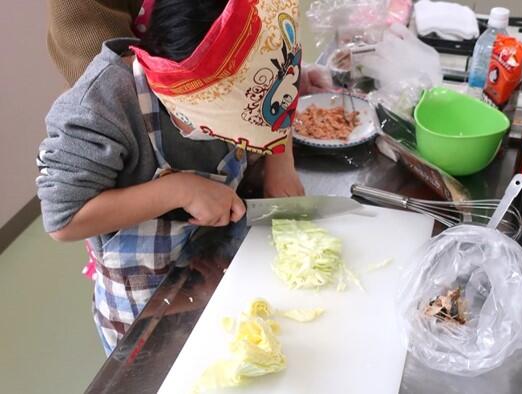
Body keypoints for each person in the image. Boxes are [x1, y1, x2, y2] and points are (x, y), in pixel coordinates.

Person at [37, 0, 332, 354]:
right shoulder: (101, 108)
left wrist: (279, 160)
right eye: (238, 126)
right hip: (147, 309)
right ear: (182, 96)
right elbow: (62, 221)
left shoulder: (238, 76)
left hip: (208, 268)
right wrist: (179, 190)